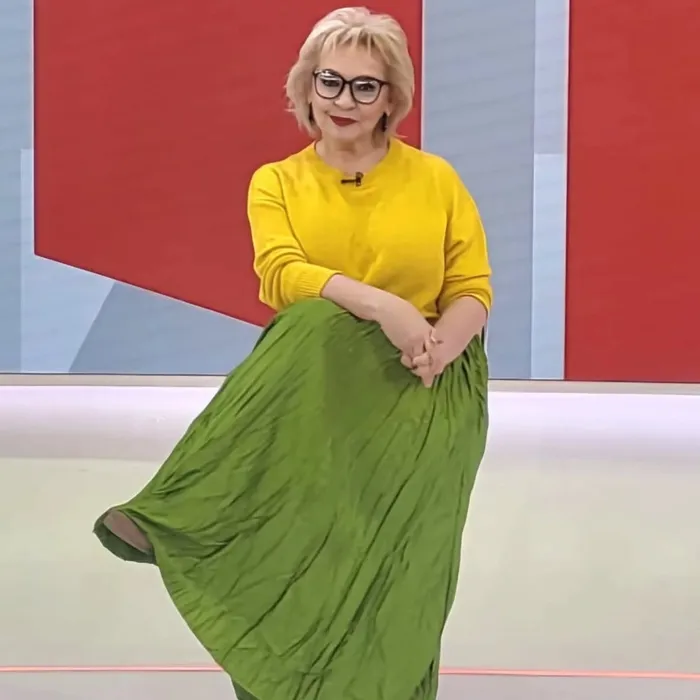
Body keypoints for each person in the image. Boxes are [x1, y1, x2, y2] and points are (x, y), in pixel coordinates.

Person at [94, 7, 492, 700]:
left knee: (395, 573)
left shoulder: (436, 179)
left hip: (425, 383)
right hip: (319, 389)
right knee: (312, 325)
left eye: (365, 86)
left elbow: (472, 289)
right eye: (329, 81)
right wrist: (385, 307)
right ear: (307, 87)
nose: (344, 100)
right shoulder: (276, 182)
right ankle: (184, 519)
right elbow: (280, 273)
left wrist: (437, 346)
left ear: (391, 99)